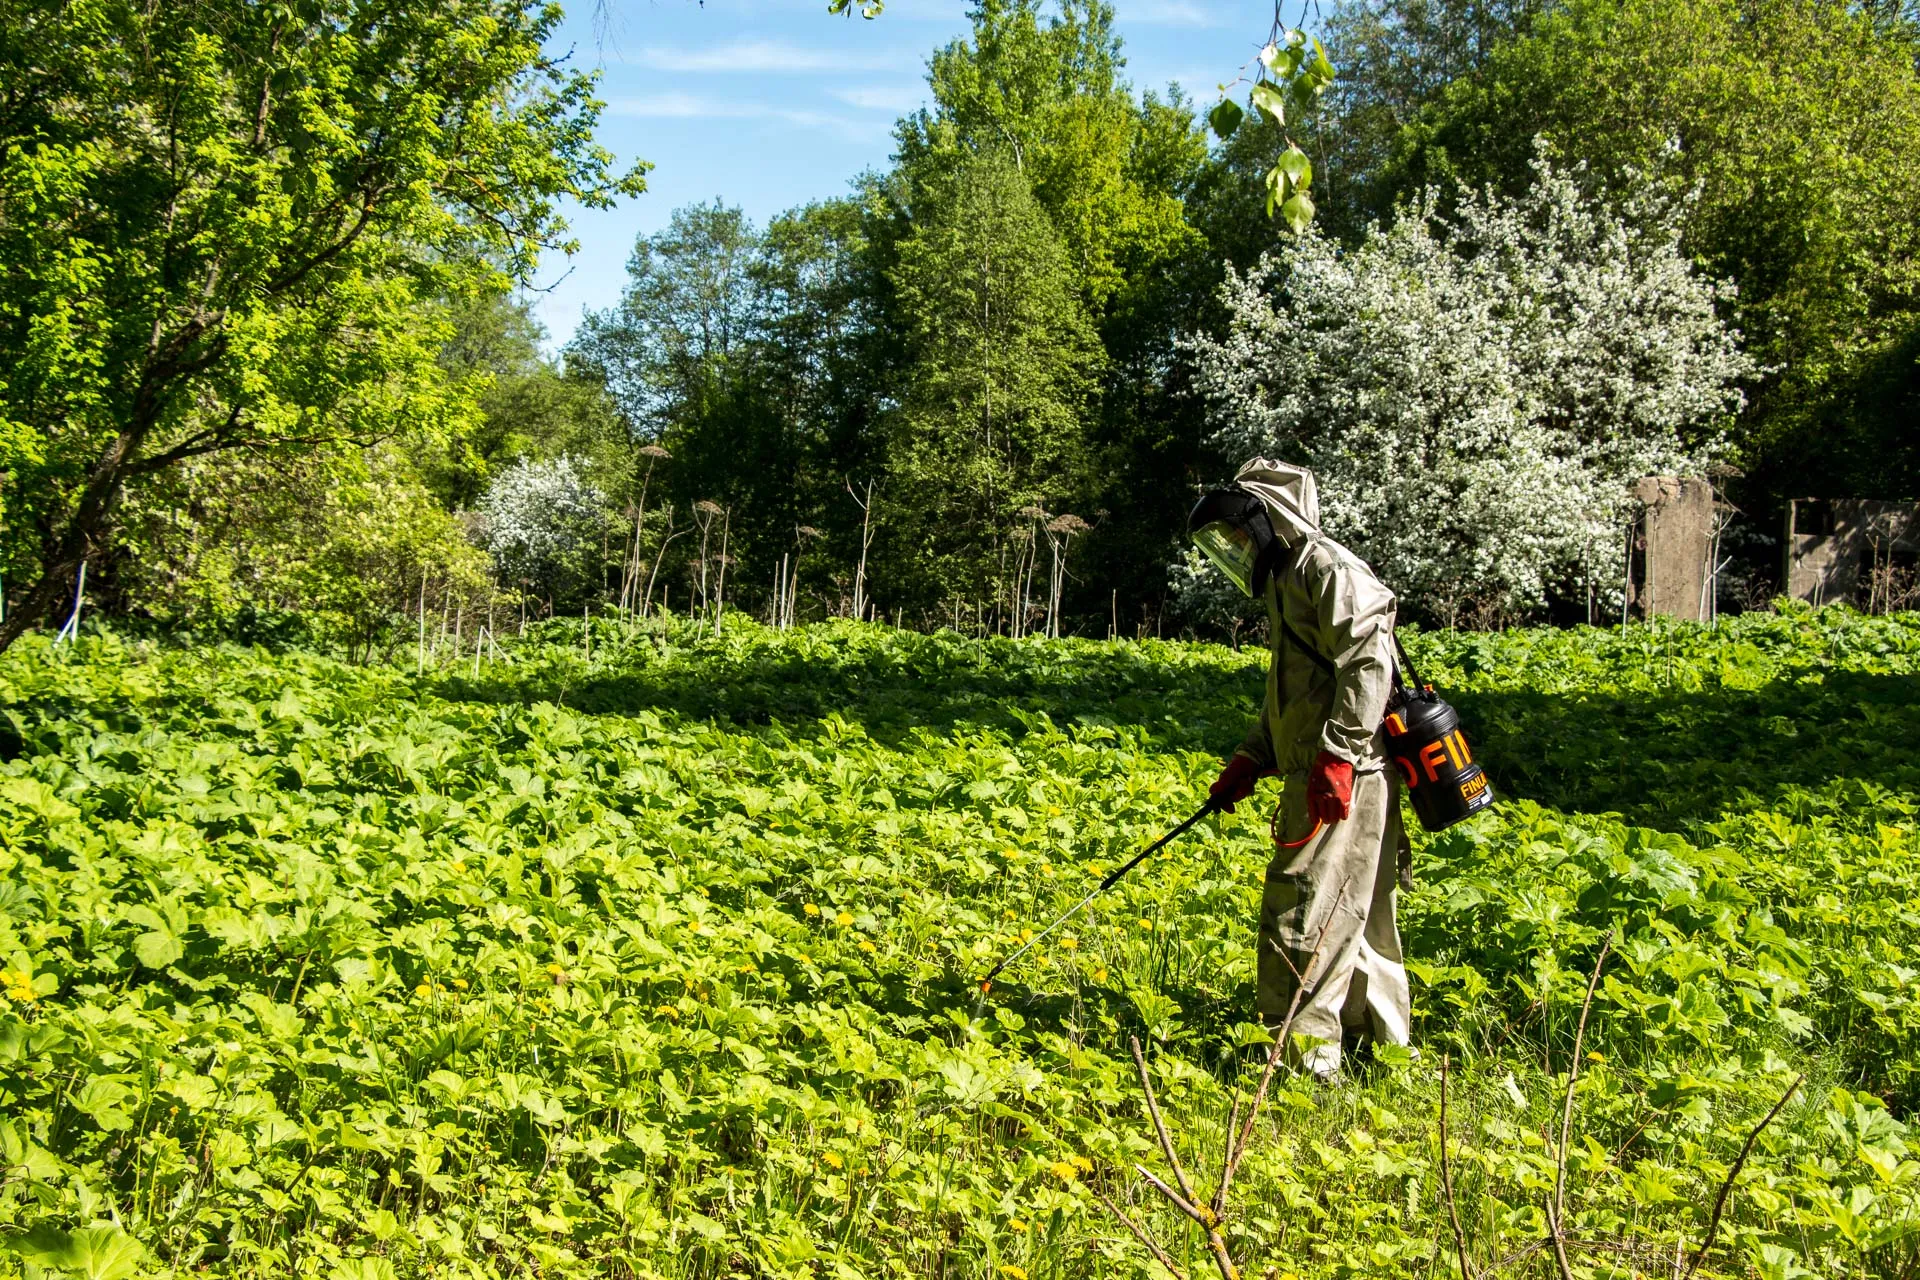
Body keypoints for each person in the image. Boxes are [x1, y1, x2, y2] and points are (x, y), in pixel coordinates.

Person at [1188, 458, 1411, 1082]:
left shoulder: (1324, 566)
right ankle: (1381, 1052)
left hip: (1342, 774)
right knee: (1355, 912)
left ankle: (1304, 1067)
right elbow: (1294, 688)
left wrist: (1339, 756)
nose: (1234, 549)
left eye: (1236, 535)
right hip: (1328, 769)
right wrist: (1252, 756)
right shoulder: (1287, 578)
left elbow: (1369, 659)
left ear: (1266, 520)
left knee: (1308, 908)